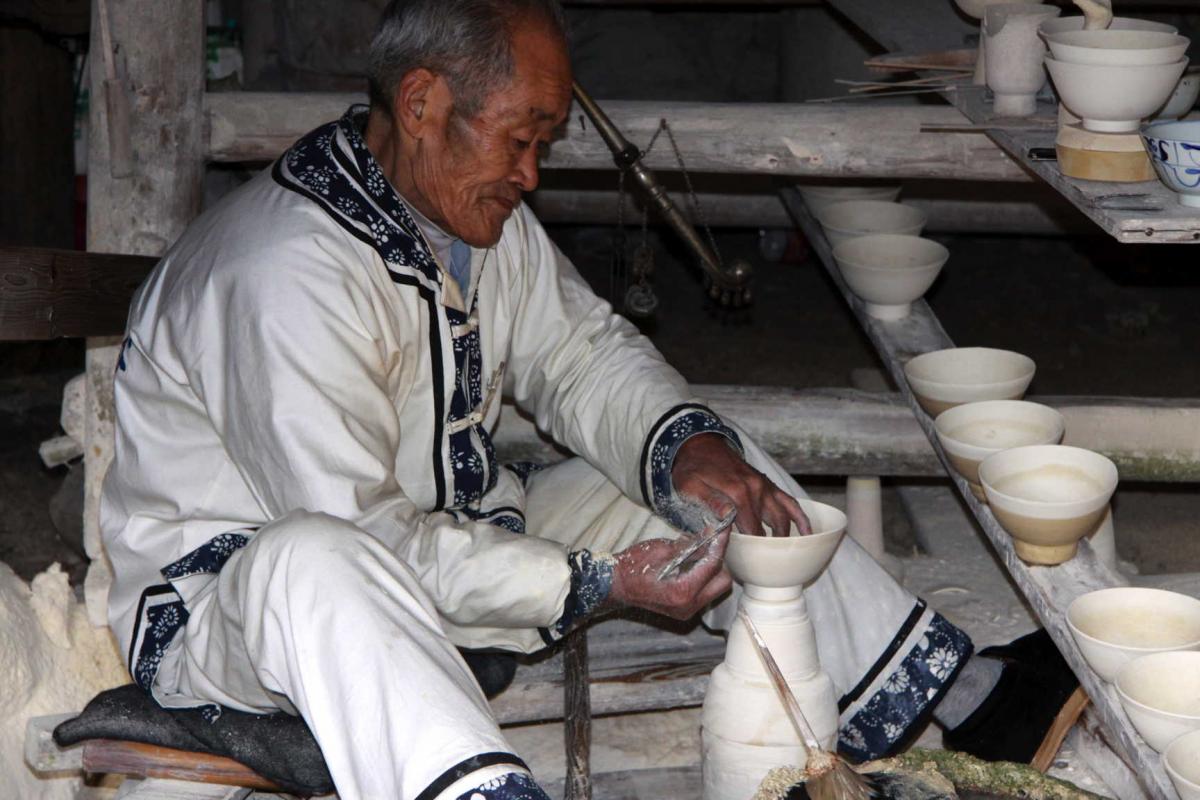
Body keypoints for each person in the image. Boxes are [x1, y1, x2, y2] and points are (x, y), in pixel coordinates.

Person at [100, 2, 1076, 799]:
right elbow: (368, 538)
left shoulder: (466, 213)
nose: (531, 172)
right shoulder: (283, 275)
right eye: (520, 138)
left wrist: (680, 445)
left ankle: (974, 693)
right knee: (319, 560)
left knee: (723, 483)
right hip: (239, 610)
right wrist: (593, 582)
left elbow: (580, 353)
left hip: (455, 536)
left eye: (544, 143)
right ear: (425, 101)